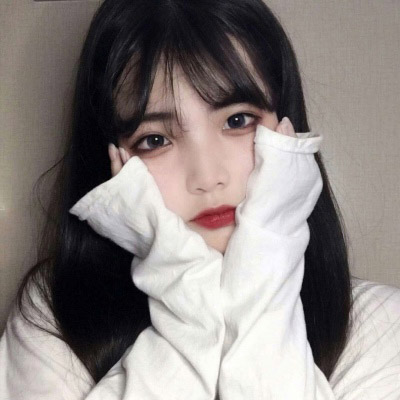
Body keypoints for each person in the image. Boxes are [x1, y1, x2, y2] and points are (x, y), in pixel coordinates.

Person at [1, 0, 400, 398]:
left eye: (238, 120)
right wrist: (179, 275)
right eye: (154, 140)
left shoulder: (380, 327)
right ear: (114, 162)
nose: (208, 178)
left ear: (286, 129)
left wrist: (265, 256)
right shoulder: (54, 316)